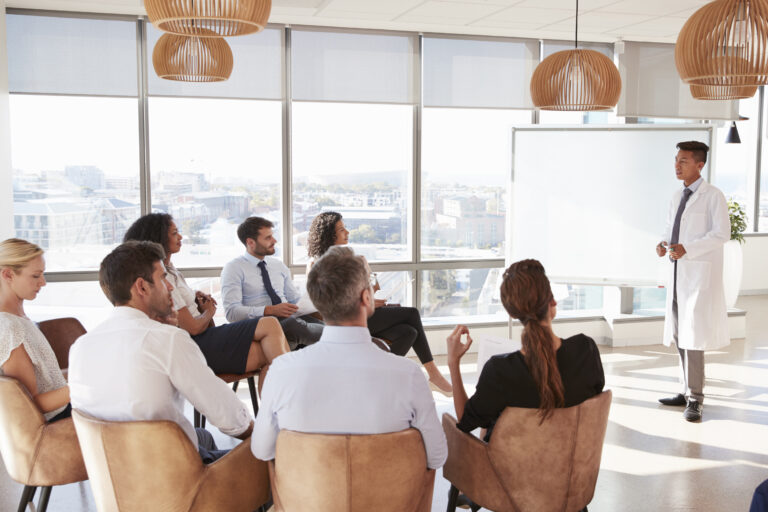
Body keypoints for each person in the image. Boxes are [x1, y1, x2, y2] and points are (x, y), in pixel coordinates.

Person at [250, 245, 447, 469]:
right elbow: (437, 458)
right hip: (386, 500)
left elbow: (262, 450)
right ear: (367, 297)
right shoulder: (409, 375)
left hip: (310, 500)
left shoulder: (281, 370)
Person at [69, 241, 253, 463]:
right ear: (142, 287)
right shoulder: (168, 340)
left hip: (114, 474)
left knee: (202, 436)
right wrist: (266, 437)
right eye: (163, 278)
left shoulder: (80, 346)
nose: (171, 287)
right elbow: (231, 419)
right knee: (275, 458)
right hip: (170, 475)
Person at [446, 259, 604, 443]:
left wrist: (453, 362)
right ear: (552, 302)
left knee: (488, 420)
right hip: (571, 467)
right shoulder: (585, 351)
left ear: (511, 313)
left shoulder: (499, 372)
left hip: (511, 470)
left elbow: (466, 421)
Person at [124, 214, 289, 389]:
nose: (180, 237)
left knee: (272, 349)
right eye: (174, 233)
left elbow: (182, 304)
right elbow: (192, 328)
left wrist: (194, 296)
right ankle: (285, 407)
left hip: (204, 338)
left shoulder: (170, 270)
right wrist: (209, 310)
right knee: (270, 326)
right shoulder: (164, 279)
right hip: (195, 344)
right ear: (159, 237)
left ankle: (277, 411)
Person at [306, 211, 452, 395]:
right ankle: (434, 374)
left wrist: (367, 273)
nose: (347, 232)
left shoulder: (350, 259)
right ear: (329, 234)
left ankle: (375, 380)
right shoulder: (316, 264)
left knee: (408, 332)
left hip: (364, 312)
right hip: (345, 321)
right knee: (412, 313)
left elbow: (371, 290)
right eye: (341, 229)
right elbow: (324, 302)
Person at [656, 140, 730, 422]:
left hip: (698, 275)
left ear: (700, 165)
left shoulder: (713, 196)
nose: (677, 165)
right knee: (678, 334)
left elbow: (721, 234)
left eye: (683, 161)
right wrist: (663, 244)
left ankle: (696, 399)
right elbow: (669, 228)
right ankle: (684, 390)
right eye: (676, 160)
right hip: (678, 274)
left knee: (694, 336)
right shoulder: (677, 196)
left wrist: (690, 248)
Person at [222, 217, 323, 350]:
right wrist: (270, 310)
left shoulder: (278, 265)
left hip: (289, 319)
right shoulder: (233, 268)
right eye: (268, 238)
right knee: (294, 325)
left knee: (330, 324)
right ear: (250, 242)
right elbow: (232, 312)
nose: (274, 241)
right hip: (260, 324)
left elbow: (294, 299)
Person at [0, 238, 70, 422]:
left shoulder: (20, 320)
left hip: (64, 412)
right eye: (35, 276)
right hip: (56, 424)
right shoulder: (10, 328)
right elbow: (29, 404)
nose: (43, 283)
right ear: (8, 275)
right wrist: (85, 387)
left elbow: (48, 381)